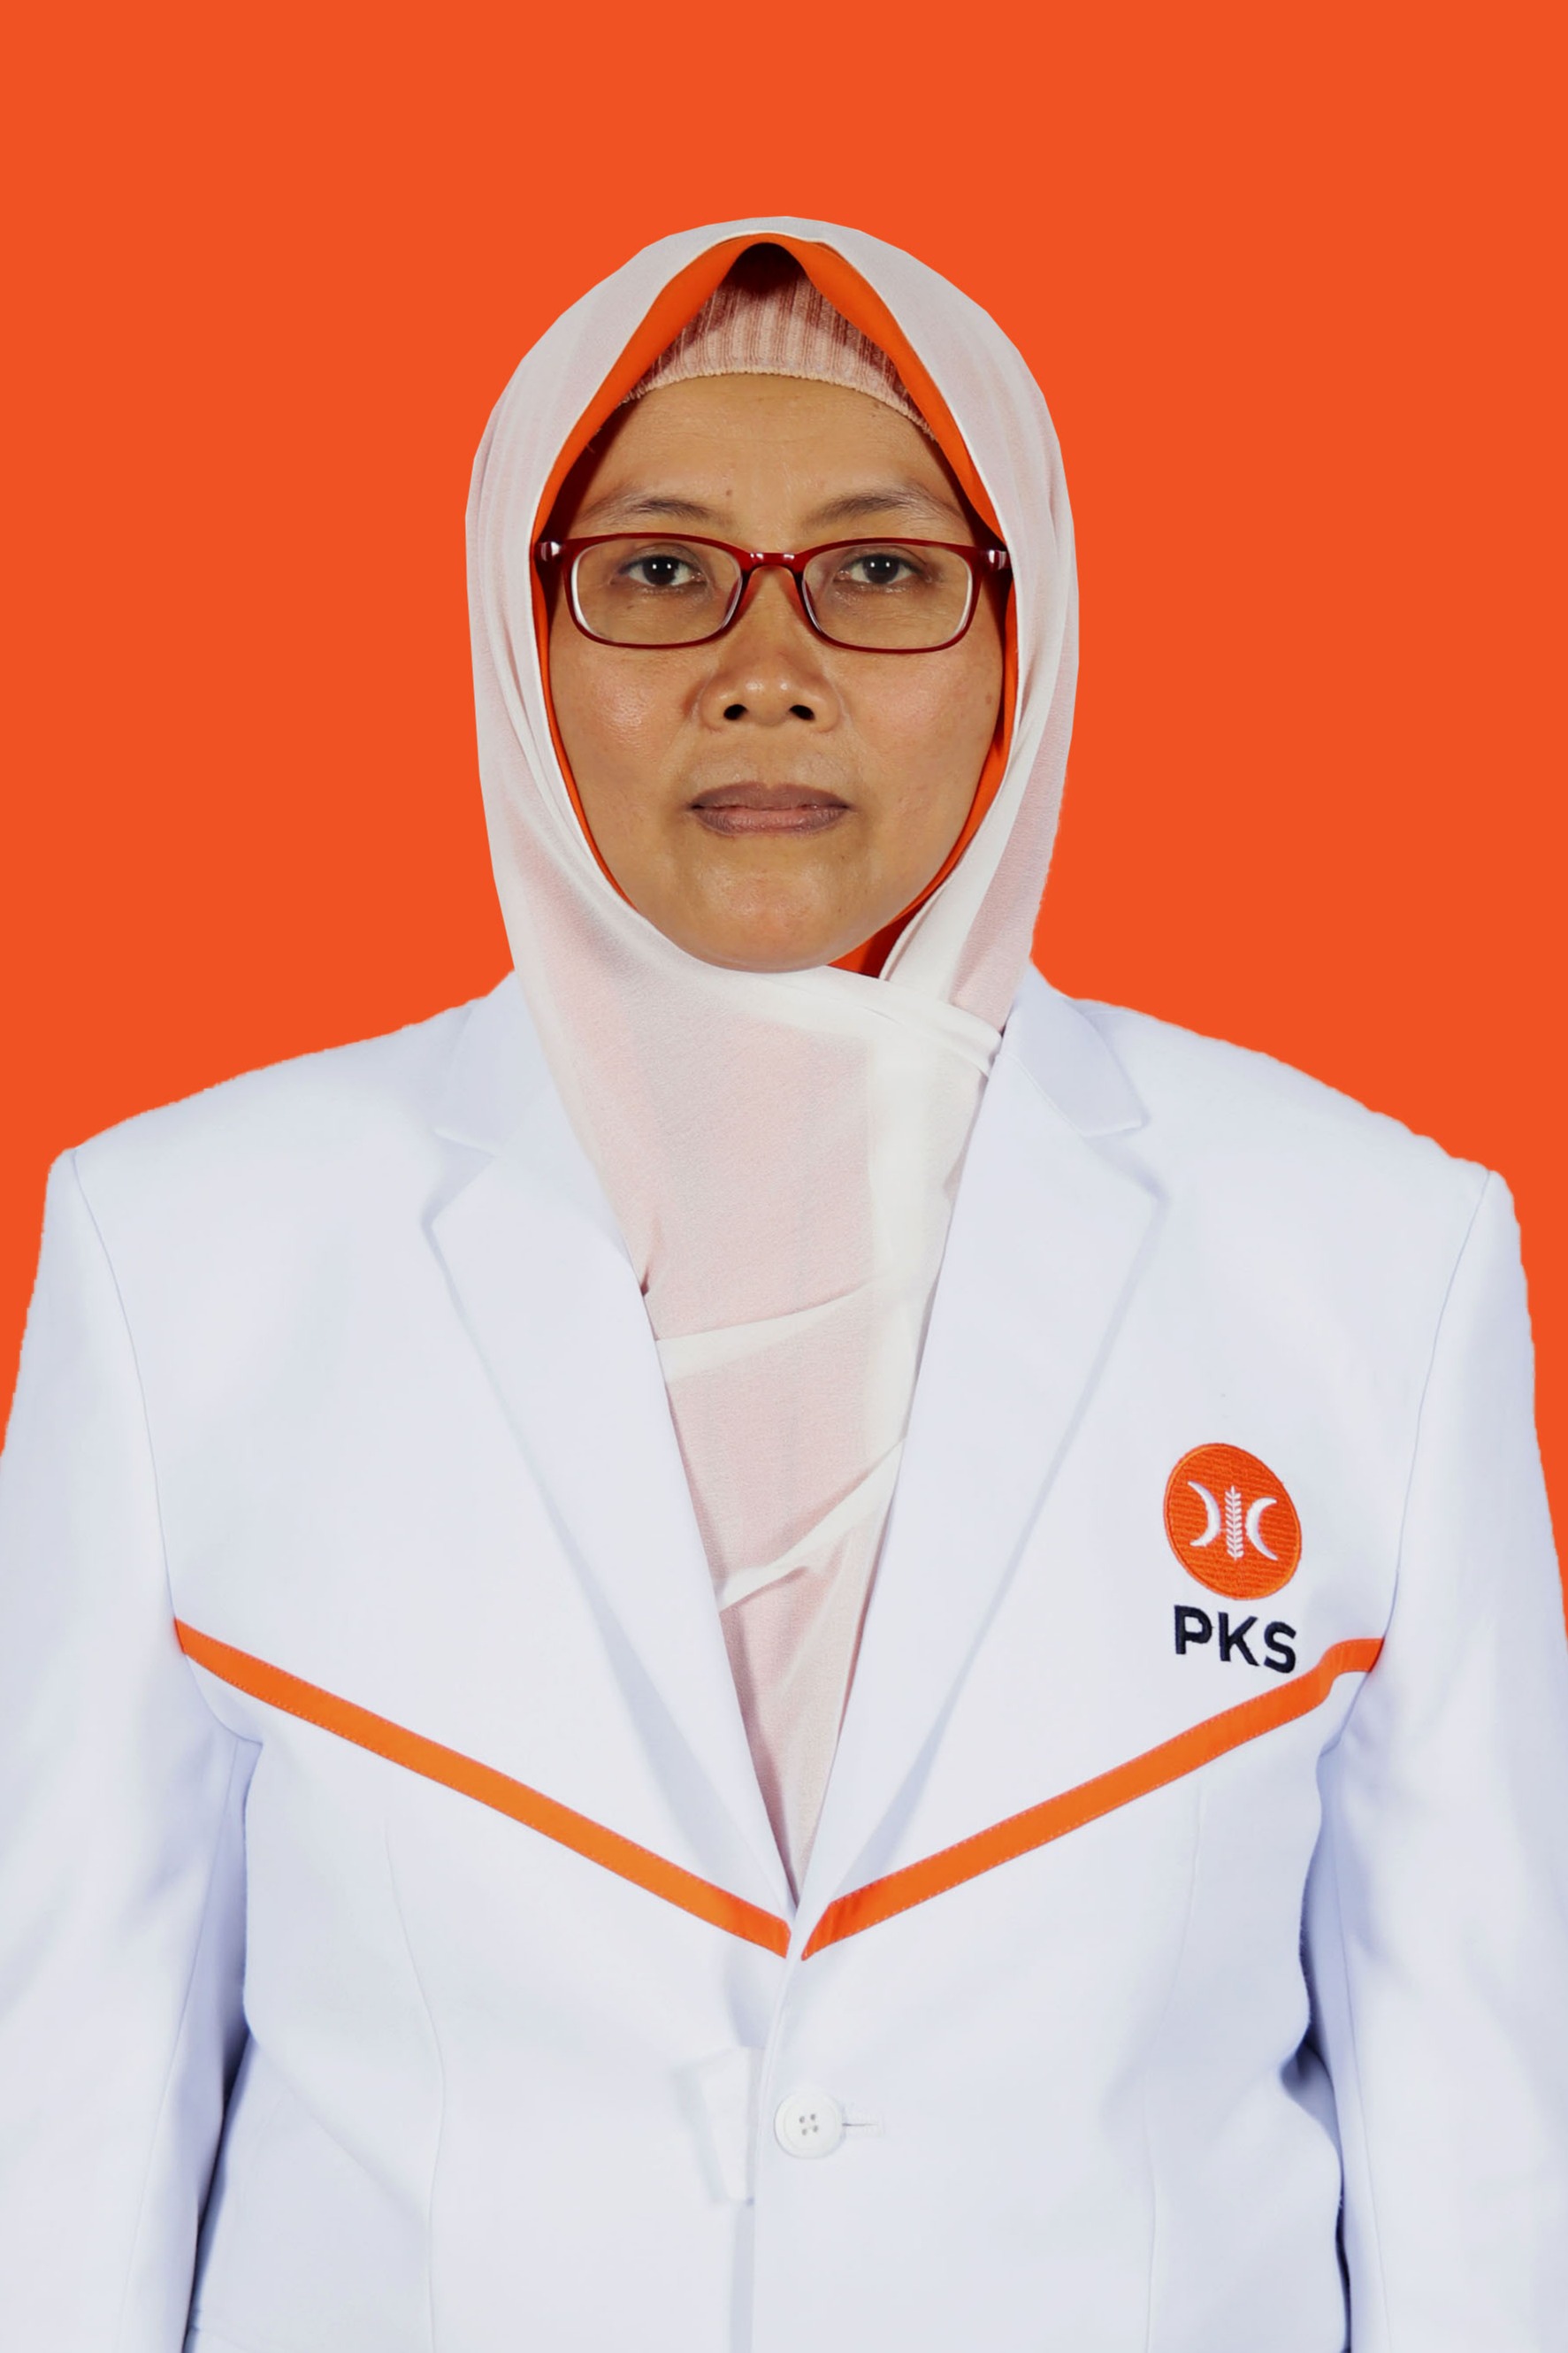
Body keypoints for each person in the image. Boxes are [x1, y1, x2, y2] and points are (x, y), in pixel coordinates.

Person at [0, 218, 1564, 2353]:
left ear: (1022, 640)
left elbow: (1485, 2147)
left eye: (880, 570)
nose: (765, 667)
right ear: (521, 635)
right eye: (656, 570)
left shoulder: (1370, 1264)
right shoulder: (182, 1259)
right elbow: (62, 2121)